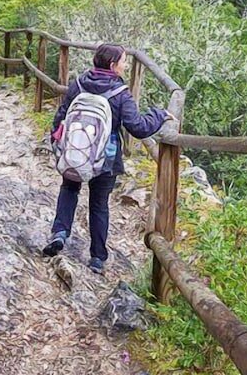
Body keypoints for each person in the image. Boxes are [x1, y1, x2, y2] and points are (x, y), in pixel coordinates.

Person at [42, 43, 172, 274]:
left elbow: (60, 117)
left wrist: (58, 145)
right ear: (113, 65)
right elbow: (138, 128)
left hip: (76, 152)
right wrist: (159, 114)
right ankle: (97, 258)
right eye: (123, 62)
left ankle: (60, 233)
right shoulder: (120, 94)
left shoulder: (79, 84)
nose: (126, 65)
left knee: (69, 189)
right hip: (106, 159)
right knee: (99, 204)